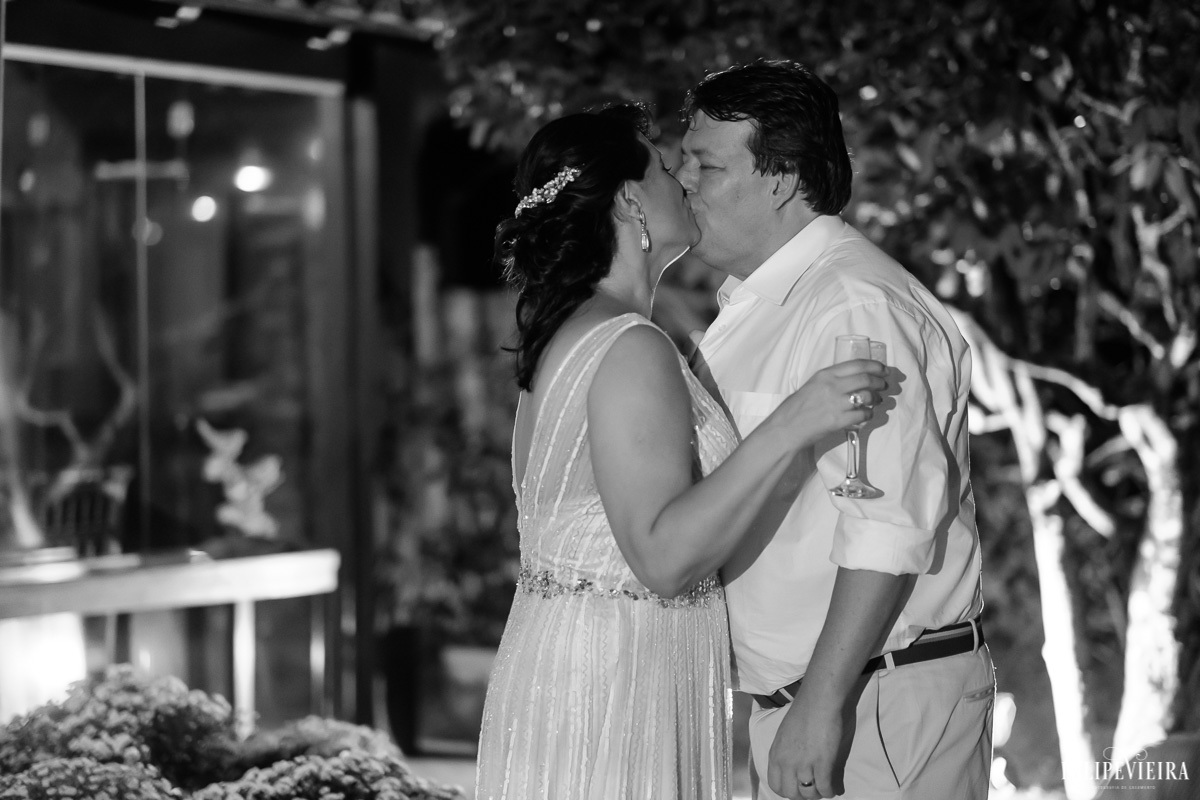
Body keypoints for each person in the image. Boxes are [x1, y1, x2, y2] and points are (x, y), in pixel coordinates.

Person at [474, 105, 887, 800]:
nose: (686, 180)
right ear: (631, 200)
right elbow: (663, 558)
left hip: (581, 660)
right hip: (615, 684)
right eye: (668, 168)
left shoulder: (592, 332)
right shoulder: (629, 345)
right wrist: (791, 424)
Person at [677, 60, 993, 800]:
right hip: (819, 701)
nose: (684, 179)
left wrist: (819, 707)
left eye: (707, 164)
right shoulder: (763, 305)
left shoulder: (855, 308)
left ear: (781, 178)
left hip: (873, 705)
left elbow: (884, 526)